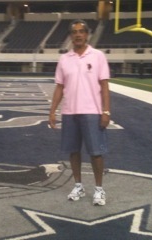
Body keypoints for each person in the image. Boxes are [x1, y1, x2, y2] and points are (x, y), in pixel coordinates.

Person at [49, 19, 111, 206]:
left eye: (81, 31)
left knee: (96, 152)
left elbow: (104, 85)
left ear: (87, 34)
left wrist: (106, 110)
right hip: (70, 112)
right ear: (70, 36)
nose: (77, 35)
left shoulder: (98, 56)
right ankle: (78, 185)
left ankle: (99, 189)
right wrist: (52, 111)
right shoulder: (64, 59)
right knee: (73, 152)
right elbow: (60, 87)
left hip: (92, 111)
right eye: (74, 32)